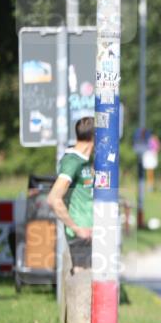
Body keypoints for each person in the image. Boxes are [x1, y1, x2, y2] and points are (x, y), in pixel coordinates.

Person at [47, 116, 95, 272]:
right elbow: (54, 199)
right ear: (95, 137)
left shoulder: (87, 160)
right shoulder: (72, 162)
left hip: (92, 233)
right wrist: (77, 229)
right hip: (82, 237)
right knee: (82, 287)